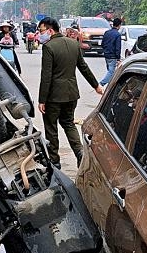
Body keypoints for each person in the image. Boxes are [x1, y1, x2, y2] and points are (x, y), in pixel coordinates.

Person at [37, 17, 104, 169]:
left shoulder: (48, 47)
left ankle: (55, 161)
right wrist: (96, 86)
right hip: (72, 94)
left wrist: (42, 99)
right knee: (68, 123)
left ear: (50, 30)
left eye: (41, 30)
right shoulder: (73, 44)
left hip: (54, 97)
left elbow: (46, 76)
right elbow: (83, 67)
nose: (40, 34)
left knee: (51, 127)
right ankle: (79, 152)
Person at [99, 17, 122, 86]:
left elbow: (103, 44)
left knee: (109, 71)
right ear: (119, 25)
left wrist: (105, 50)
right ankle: (101, 84)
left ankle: (111, 86)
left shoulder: (107, 32)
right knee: (111, 72)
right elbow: (118, 48)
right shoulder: (117, 35)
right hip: (113, 56)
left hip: (106, 55)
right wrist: (118, 58)